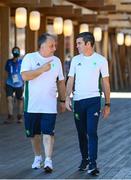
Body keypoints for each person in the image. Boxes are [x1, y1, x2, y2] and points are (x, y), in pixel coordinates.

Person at [66, 32, 110, 176]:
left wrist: (107, 103)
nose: (76, 45)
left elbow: (105, 82)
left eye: (79, 43)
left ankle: (93, 163)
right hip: (78, 101)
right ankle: (85, 159)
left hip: (93, 100)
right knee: (81, 132)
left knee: (91, 131)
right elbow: (70, 79)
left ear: (88, 44)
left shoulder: (101, 60)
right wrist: (67, 97)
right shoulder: (75, 60)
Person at [21, 33, 66, 173]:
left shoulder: (57, 61)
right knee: (34, 135)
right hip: (32, 105)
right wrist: (42, 69)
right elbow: (25, 76)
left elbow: (61, 82)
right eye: (51, 45)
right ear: (42, 46)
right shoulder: (30, 57)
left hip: (49, 105)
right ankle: (37, 157)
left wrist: (63, 100)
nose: (54, 48)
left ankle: (48, 160)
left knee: (48, 133)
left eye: (55, 46)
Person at [4, 46, 24, 124]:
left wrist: (24, 82)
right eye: (14, 52)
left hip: (19, 84)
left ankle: (19, 116)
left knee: (20, 100)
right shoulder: (9, 62)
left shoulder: (21, 62)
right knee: (9, 99)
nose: (15, 54)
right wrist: (4, 82)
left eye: (17, 52)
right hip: (9, 83)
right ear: (12, 53)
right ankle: (10, 116)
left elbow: (24, 72)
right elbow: (5, 72)